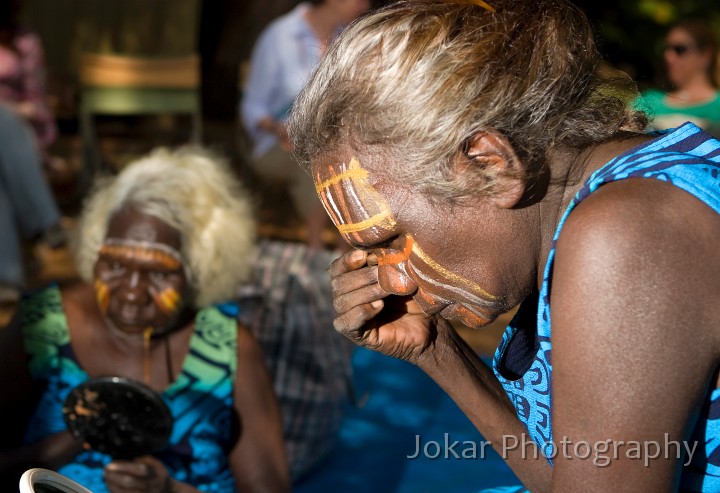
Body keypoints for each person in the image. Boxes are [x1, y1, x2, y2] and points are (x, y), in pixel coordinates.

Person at [288, 1, 720, 491]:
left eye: (391, 239)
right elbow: (570, 475)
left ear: (490, 166)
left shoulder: (630, 233)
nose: (389, 277)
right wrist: (436, 351)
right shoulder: (598, 212)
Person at [0, 148, 290, 493]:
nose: (133, 292)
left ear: (197, 269)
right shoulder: (43, 325)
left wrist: (169, 489)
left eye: (158, 273)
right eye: (116, 265)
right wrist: (64, 445)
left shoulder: (229, 349)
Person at [241, 0, 369, 249]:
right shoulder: (280, 36)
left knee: (354, 159)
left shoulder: (346, 39)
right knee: (316, 161)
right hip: (277, 143)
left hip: (330, 141)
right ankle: (316, 248)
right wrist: (279, 129)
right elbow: (252, 107)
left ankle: (348, 251)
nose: (365, 4)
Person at [634, 19, 720, 137]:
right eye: (667, 49)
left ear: (705, 55)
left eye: (679, 49)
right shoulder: (648, 101)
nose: (668, 57)